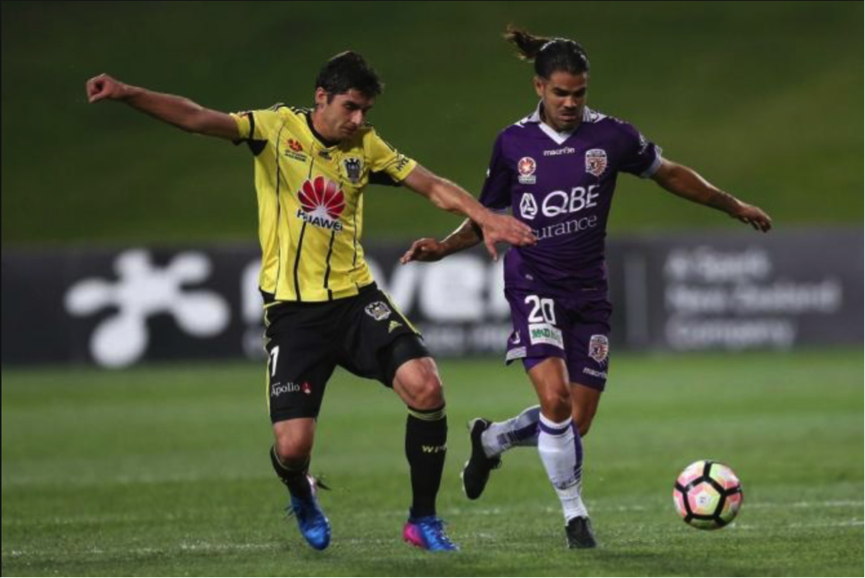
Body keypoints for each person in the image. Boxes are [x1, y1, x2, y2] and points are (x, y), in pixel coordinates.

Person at [85, 51, 536, 553]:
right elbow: (196, 117)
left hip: (354, 299)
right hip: (293, 314)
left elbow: (430, 184)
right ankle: (301, 489)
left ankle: (423, 520)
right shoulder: (273, 129)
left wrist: (483, 216)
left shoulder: (366, 146)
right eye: (351, 107)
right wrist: (127, 93)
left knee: (426, 387)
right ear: (321, 98)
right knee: (293, 447)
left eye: (366, 110)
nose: (360, 119)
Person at [401, 26, 772, 549]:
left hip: (589, 291)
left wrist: (733, 204)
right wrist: (442, 248)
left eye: (579, 93)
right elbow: (487, 214)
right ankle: (576, 517)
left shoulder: (613, 137)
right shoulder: (514, 143)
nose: (571, 103)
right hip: (532, 281)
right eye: (560, 94)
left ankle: (492, 438)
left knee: (576, 421)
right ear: (538, 88)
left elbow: (669, 174)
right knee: (554, 400)